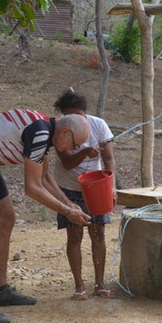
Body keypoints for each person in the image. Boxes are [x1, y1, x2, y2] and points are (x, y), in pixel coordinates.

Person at [0, 110, 91, 323]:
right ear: (65, 132)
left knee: (7, 219)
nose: (73, 150)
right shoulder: (40, 133)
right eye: (75, 144)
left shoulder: (46, 130)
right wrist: (67, 212)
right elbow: (33, 188)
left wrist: (69, 203)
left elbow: (44, 177)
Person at [52, 90, 117, 300]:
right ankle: (79, 286)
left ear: (85, 112)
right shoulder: (60, 130)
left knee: (98, 233)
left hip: (96, 187)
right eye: (69, 116)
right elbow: (67, 162)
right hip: (68, 188)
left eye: (78, 115)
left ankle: (99, 283)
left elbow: (108, 159)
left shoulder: (99, 125)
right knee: (75, 235)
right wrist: (84, 152)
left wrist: (112, 186)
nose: (74, 120)